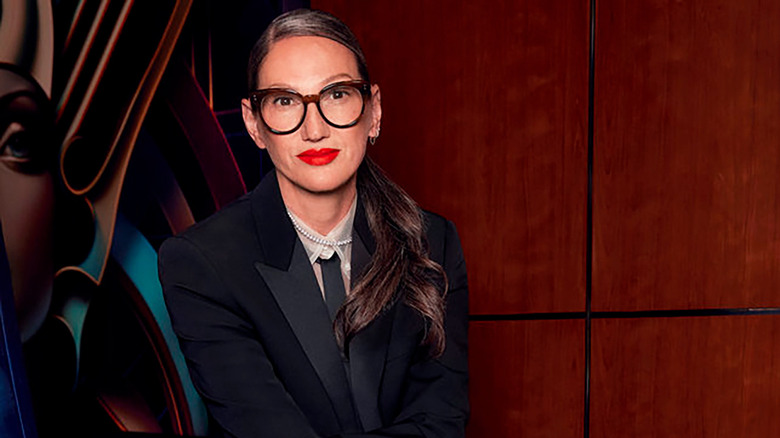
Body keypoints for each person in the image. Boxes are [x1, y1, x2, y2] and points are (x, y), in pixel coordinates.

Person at [158, 8, 469, 438]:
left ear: (374, 111)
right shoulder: (201, 263)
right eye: (285, 101)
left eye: (337, 94)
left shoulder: (432, 241)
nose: (315, 128)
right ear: (253, 123)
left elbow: (440, 422)